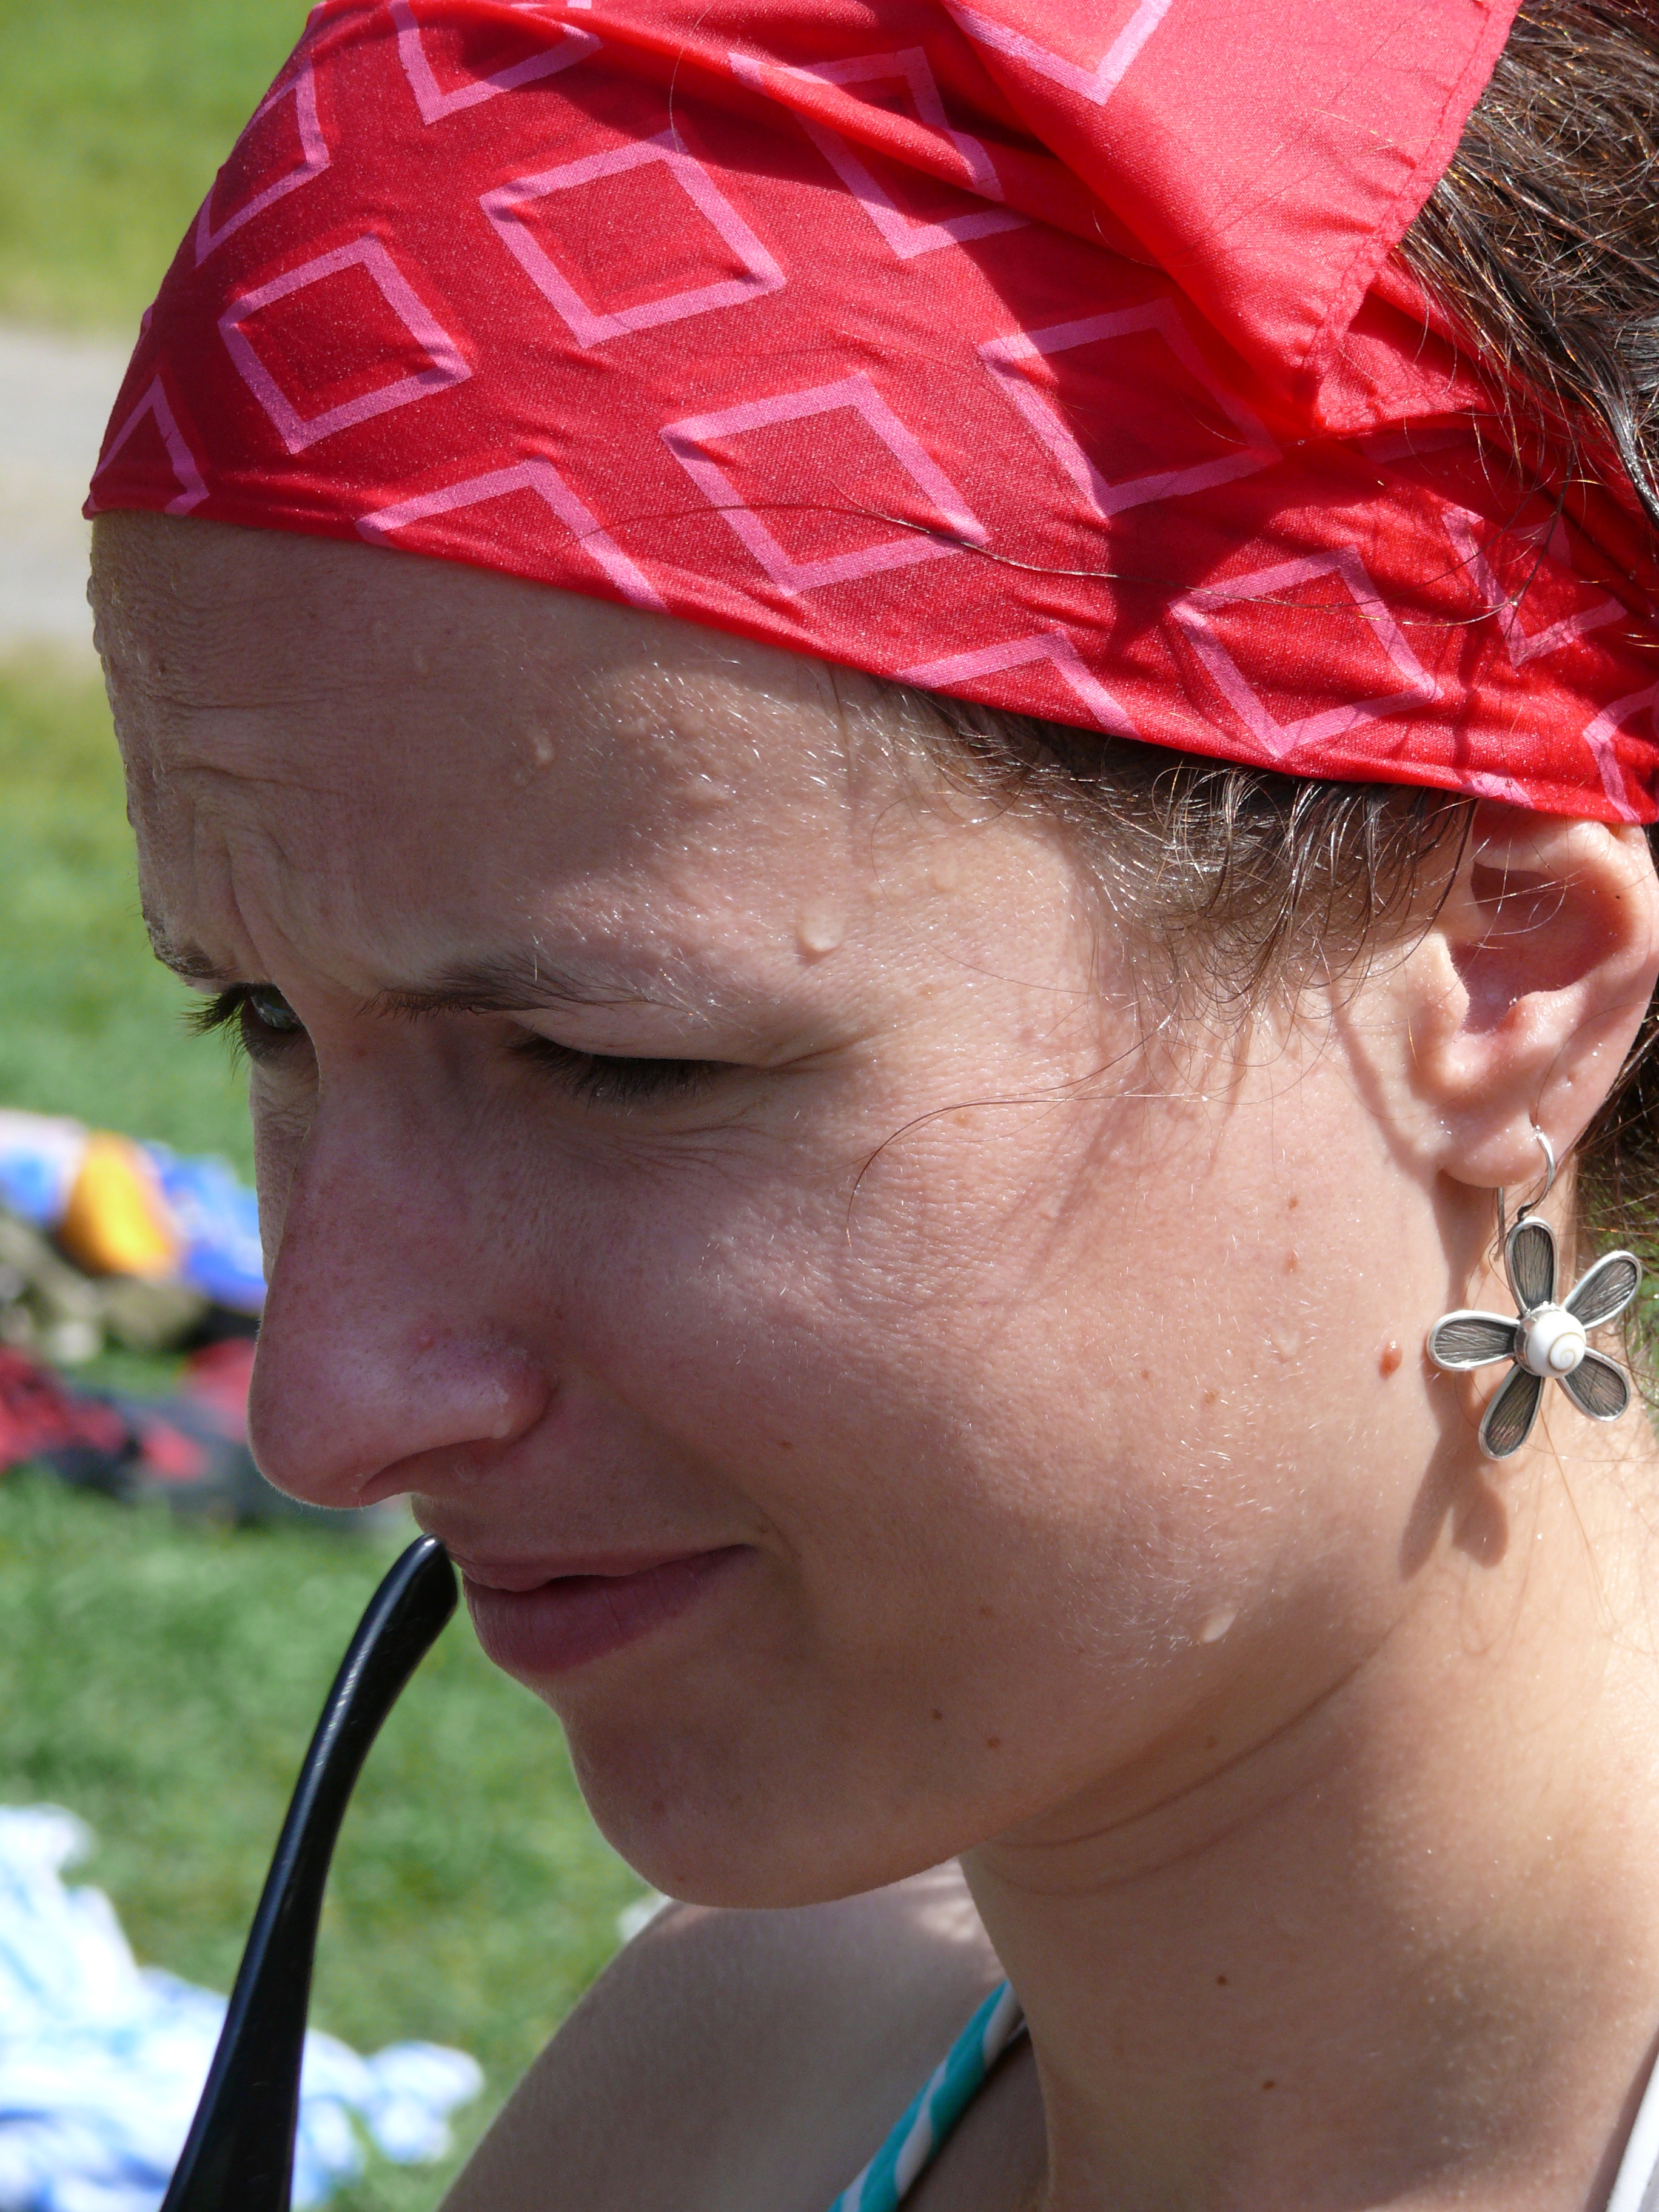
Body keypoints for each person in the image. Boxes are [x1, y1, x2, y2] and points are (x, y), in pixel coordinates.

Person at [82, 0, 1659, 2203]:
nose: (327, 1406)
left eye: (621, 1063)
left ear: (1499, 971)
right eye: (261, 1016)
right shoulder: (719, 2098)